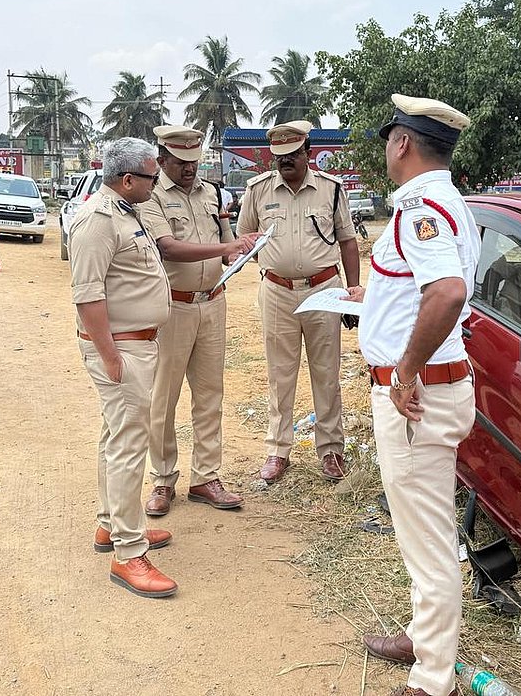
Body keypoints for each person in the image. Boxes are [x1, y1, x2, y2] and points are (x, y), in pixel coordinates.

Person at [345, 94, 479, 696]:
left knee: (428, 543)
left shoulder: (420, 207)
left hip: (417, 398)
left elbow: (447, 293)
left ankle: (432, 679)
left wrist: (403, 373)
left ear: (402, 143)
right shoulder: (451, 203)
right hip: (437, 387)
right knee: (425, 531)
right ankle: (426, 640)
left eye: (387, 139)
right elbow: (422, 293)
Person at [70, 137, 177, 598]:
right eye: (153, 176)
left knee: (116, 438)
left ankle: (111, 524)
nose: (159, 183)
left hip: (137, 346)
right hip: (122, 350)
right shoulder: (96, 220)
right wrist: (111, 356)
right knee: (130, 445)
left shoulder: (126, 212)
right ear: (129, 178)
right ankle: (128, 553)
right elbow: (87, 294)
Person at [138, 126, 260, 517]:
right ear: (163, 160)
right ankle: (162, 479)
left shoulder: (212, 193)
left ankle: (206, 476)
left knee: (210, 396)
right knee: (164, 398)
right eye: (181, 163)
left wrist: (242, 249)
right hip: (174, 308)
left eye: (194, 162)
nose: (190, 169)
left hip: (214, 303)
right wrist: (226, 246)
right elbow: (167, 248)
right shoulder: (151, 197)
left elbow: (226, 246)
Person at [236, 120, 360, 484]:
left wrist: (352, 292)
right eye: (279, 156)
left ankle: (331, 451)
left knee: (327, 373)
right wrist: (273, 264)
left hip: (324, 291)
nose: (286, 161)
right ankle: (278, 451)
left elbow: (348, 241)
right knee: (280, 375)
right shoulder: (257, 190)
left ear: (308, 153)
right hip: (276, 292)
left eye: (293, 155)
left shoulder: (331, 189)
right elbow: (245, 239)